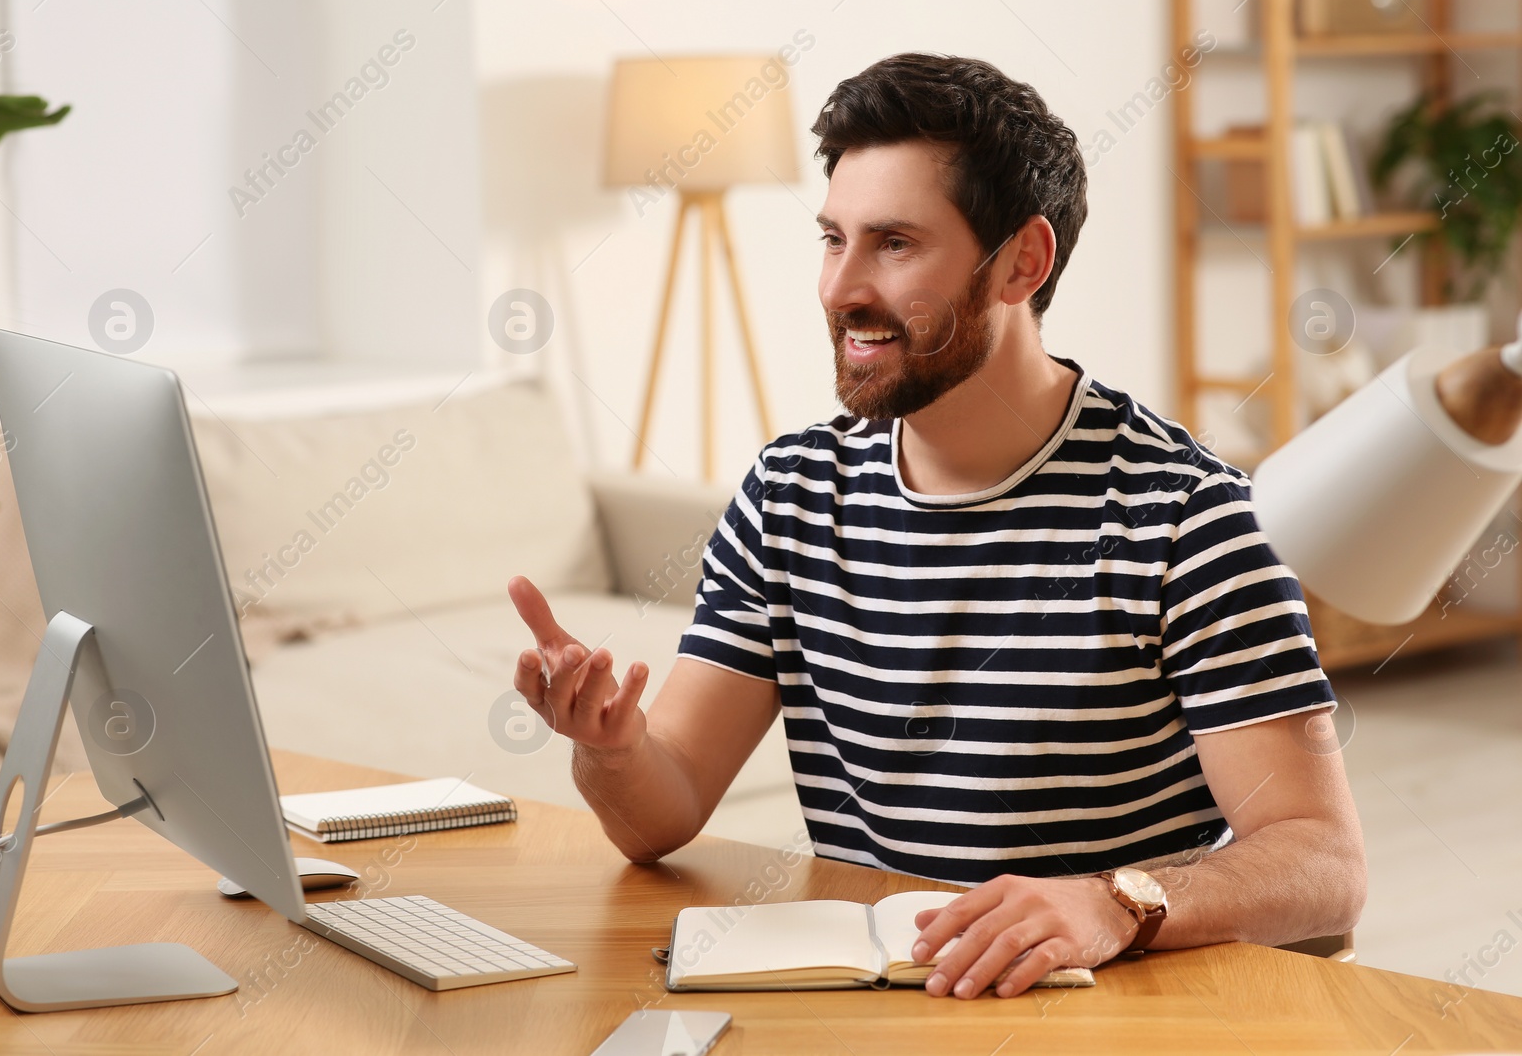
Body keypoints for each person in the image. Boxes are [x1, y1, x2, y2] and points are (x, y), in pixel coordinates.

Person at [507, 52, 1366, 1000]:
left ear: (1021, 263)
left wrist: (1114, 903)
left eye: (895, 243)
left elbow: (1323, 862)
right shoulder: (792, 492)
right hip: (886, 1006)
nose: (841, 287)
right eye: (833, 239)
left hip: (1098, 1014)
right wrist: (612, 749)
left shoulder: (1183, 514)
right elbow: (657, 816)